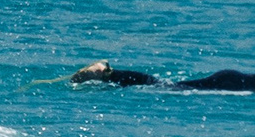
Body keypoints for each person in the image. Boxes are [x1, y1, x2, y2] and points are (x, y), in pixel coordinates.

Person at [70, 60, 255, 92]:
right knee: (168, 87)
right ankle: (107, 74)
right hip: (233, 82)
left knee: (168, 85)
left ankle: (109, 74)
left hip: (233, 79)